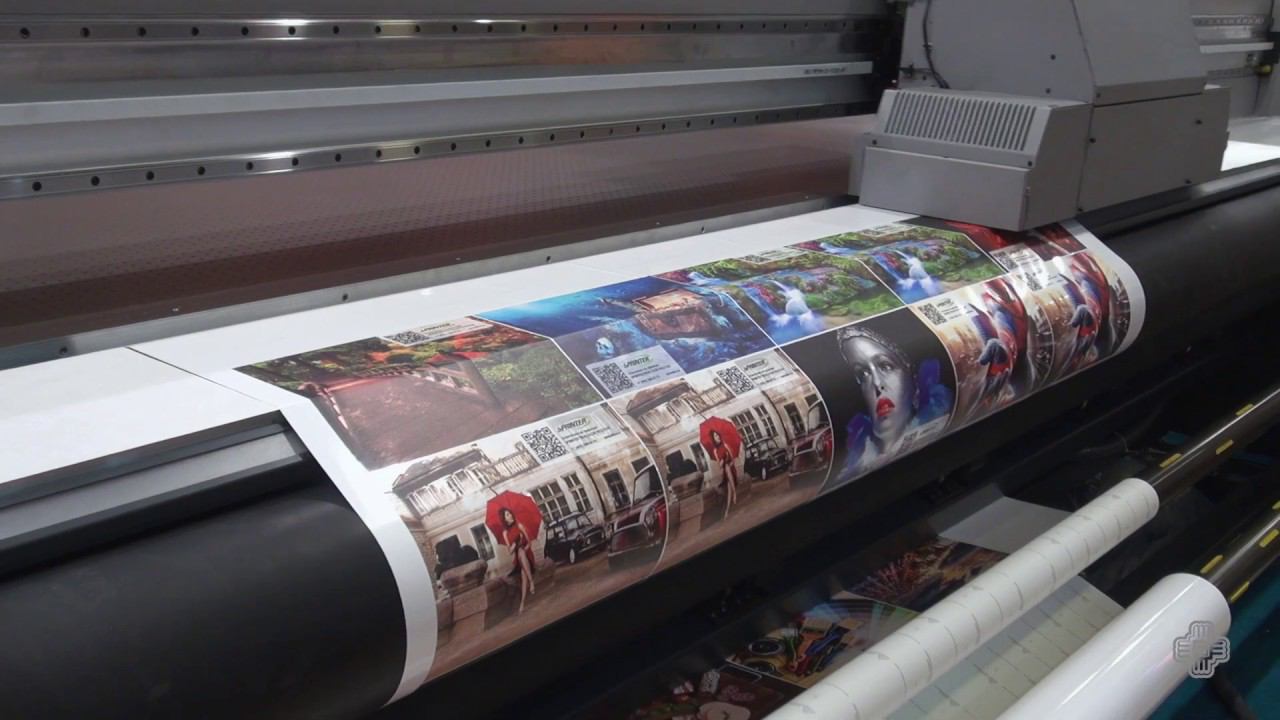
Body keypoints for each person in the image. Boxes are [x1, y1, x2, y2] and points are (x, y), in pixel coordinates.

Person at [836, 325, 952, 482]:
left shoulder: (943, 414)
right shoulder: (852, 465)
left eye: (886, 366)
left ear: (913, 380)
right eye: (863, 373)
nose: (877, 384)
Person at [500, 507, 536, 614]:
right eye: (507, 515)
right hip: (518, 558)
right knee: (523, 575)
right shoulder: (505, 533)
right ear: (504, 519)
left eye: (510, 513)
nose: (510, 515)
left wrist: (524, 548)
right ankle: (523, 601)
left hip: (527, 554)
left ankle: (530, 585)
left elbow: (529, 543)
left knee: (521, 552)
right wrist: (515, 543)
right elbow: (510, 552)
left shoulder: (519, 525)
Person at [709, 429, 739, 520]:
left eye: (718, 435)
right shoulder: (715, 451)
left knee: (727, 467)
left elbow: (733, 459)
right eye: (715, 436)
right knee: (728, 491)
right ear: (713, 439)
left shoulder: (725, 445)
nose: (717, 437)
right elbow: (720, 466)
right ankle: (727, 511)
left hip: (731, 468)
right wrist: (721, 462)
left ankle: (734, 493)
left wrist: (729, 462)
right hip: (726, 472)